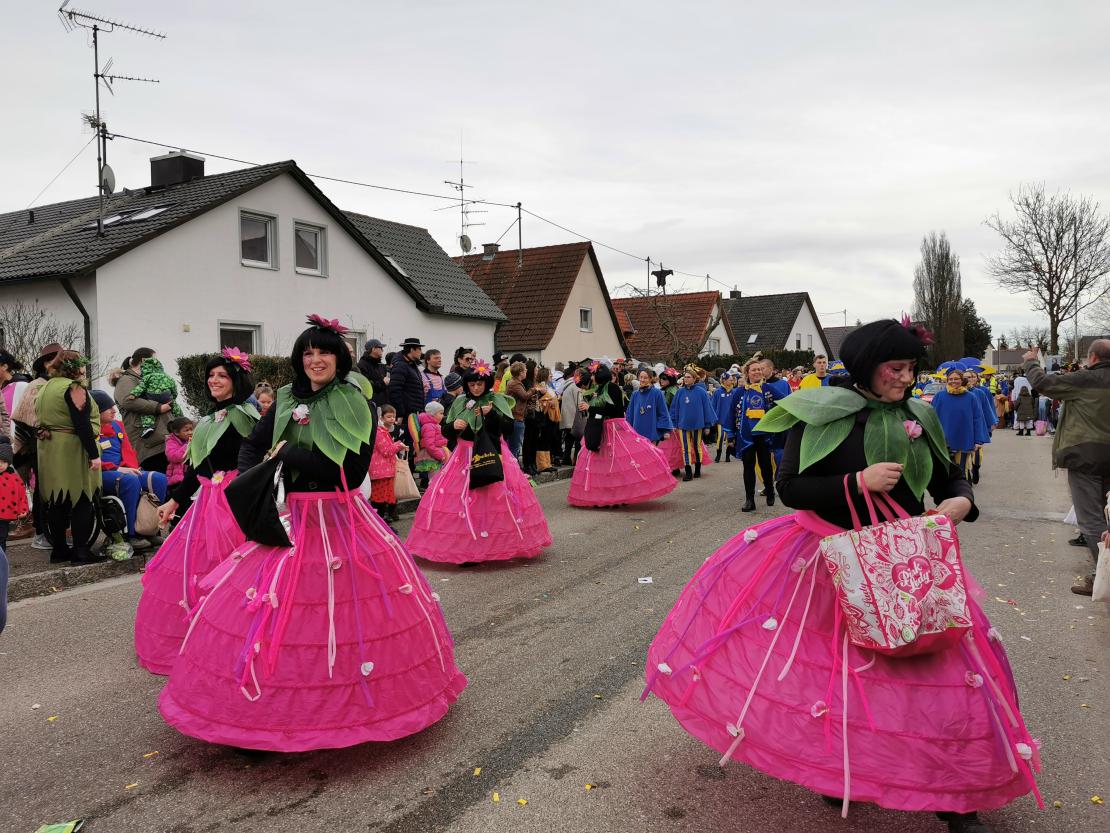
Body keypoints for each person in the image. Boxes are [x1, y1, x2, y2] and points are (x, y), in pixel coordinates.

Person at [645, 318, 1040, 833]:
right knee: (835, 677)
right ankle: (839, 767)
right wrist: (857, 481)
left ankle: (956, 800)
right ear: (866, 370)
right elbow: (791, 488)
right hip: (829, 560)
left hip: (902, 561)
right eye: (894, 369)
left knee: (937, 674)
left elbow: (948, 473)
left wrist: (961, 498)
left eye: (909, 369)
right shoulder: (819, 413)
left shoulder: (920, 413)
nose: (905, 379)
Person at [159, 315, 466, 750]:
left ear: (339, 358)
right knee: (278, 613)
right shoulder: (285, 398)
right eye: (308, 352)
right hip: (296, 517)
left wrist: (289, 456)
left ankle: (350, 707)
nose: (315, 359)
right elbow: (253, 444)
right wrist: (251, 480)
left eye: (323, 351)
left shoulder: (357, 400)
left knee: (343, 614)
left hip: (341, 517)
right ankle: (271, 712)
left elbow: (352, 470)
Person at [133, 348, 258, 675]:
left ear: (236, 381)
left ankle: (232, 638)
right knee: (198, 567)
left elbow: (255, 462)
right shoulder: (208, 418)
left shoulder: (246, 416)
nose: (214, 380)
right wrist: (175, 500)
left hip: (234, 501)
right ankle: (201, 637)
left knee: (233, 570)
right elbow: (200, 465)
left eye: (223, 376)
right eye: (211, 375)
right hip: (208, 499)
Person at [406, 358, 552, 563]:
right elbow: (446, 432)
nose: (476, 388)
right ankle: (468, 548)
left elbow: (508, 427)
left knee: (495, 501)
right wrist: (452, 427)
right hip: (463, 456)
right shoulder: (459, 402)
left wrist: (491, 413)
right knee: (465, 501)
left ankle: (497, 544)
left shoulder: (497, 400)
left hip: (493, 452)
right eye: (472, 384)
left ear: (487, 383)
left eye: (479, 384)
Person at [1023, 342, 1110, 595]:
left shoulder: (1085, 379)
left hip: (1086, 456)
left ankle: (1104, 575)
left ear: (1092, 357)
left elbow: (1043, 383)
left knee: (1091, 519)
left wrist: (1030, 360)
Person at [568, 363, 676, 507]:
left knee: (617, 464)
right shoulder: (598, 389)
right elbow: (601, 409)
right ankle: (604, 495)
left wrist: (591, 407)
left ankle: (620, 494)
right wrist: (588, 406)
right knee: (603, 466)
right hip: (601, 429)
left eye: (594, 375)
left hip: (613, 429)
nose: (593, 378)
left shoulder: (612, 387)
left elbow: (614, 409)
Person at [35, 351, 104, 565]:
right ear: (75, 367)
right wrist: (94, 454)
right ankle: (81, 551)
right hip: (72, 448)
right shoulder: (73, 387)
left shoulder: (45, 386)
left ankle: (59, 549)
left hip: (49, 448)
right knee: (82, 497)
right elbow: (81, 422)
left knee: (57, 500)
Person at [92, 390, 168, 549]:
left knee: (158, 478)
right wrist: (119, 469)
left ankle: (150, 530)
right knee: (131, 481)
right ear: (96, 411)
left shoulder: (118, 426)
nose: (114, 411)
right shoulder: (90, 429)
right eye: (108, 408)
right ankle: (131, 534)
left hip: (124, 470)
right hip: (100, 474)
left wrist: (132, 467)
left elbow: (128, 451)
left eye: (114, 407)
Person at [12, 342, 62, 550]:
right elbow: (26, 417)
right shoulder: (37, 385)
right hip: (39, 447)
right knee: (44, 491)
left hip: (57, 446)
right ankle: (42, 533)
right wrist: (40, 431)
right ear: (45, 365)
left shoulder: (58, 384)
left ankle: (53, 532)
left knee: (54, 491)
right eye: (53, 360)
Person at [114, 347, 174, 473]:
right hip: (148, 445)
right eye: (154, 360)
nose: (157, 363)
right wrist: (159, 407)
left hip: (159, 441)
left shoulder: (146, 378)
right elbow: (127, 400)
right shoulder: (126, 380)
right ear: (143, 360)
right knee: (157, 481)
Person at [734, 359, 778, 511]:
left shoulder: (768, 388)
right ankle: (749, 500)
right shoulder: (740, 391)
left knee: (766, 465)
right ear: (747, 373)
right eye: (754, 370)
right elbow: (732, 412)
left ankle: (770, 490)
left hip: (764, 435)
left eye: (759, 369)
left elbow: (784, 401)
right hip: (745, 436)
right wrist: (731, 435)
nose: (757, 372)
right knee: (748, 466)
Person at [931, 366, 990, 479]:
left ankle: (962, 490)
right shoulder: (939, 396)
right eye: (951, 379)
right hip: (944, 441)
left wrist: (978, 440)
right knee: (945, 472)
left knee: (961, 471)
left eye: (956, 378)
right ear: (947, 380)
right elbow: (931, 418)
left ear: (962, 380)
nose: (953, 381)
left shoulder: (971, 397)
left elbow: (977, 419)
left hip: (964, 439)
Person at [668, 368, 716, 481]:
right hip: (682, 425)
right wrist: (674, 423)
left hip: (697, 425)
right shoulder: (679, 392)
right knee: (685, 448)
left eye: (689, 377)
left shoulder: (701, 392)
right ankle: (688, 471)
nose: (686, 379)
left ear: (694, 379)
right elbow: (674, 408)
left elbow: (707, 409)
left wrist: (707, 425)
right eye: (685, 377)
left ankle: (698, 469)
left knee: (696, 447)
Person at [126, 356, 183, 437]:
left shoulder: (147, 377)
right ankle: (181, 420)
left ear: (145, 368)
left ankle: (148, 427)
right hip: (166, 396)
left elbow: (141, 387)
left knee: (148, 412)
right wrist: (173, 397)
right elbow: (174, 388)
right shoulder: (167, 377)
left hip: (152, 397)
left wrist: (133, 394)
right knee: (175, 407)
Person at [369, 404, 406, 524]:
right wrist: (400, 445)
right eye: (389, 416)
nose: (392, 419)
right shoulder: (379, 432)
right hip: (381, 470)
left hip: (384, 470)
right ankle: (378, 521)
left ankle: (382, 519)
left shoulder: (382, 431)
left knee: (384, 496)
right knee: (379, 497)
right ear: (381, 417)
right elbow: (386, 451)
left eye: (393, 416)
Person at [626, 368, 673, 444]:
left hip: (652, 431)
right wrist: (628, 428)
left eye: (645, 378)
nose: (642, 380)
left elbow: (663, 412)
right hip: (637, 431)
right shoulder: (635, 394)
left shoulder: (657, 393)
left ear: (650, 379)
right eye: (641, 377)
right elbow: (630, 413)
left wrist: (665, 430)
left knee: (652, 454)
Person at [0, 437, 29, 551]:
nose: (0, 465)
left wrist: (23, 509)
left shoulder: (14, 478)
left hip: (4, 516)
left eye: (4, 462)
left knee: (2, 538)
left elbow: (21, 495)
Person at [414, 400, 450, 478]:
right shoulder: (429, 426)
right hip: (432, 456)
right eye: (441, 413)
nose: (443, 416)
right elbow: (429, 445)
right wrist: (440, 455)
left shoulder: (434, 425)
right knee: (434, 478)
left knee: (438, 477)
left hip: (436, 454)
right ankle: (432, 490)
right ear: (433, 414)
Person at [504, 361, 529, 462]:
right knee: (514, 447)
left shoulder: (514, 382)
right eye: (525, 370)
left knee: (513, 446)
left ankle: (513, 469)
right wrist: (534, 390)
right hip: (516, 418)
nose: (526, 372)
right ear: (521, 372)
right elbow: (524, 396)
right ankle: (513, 470)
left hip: (514, 417)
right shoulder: (515, 383)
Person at [710, 370, 738, 462]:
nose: (732, 381)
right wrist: (713, 419)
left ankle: (727, 455)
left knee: (729, 438)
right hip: (720, 420)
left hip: (731, 420)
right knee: (721, 437)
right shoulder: (718, 392)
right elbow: (713, 405)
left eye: (732, 380)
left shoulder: (734, 392)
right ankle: (718, 454)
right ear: (724, 381)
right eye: (730, 380)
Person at [560, 366, 585, 464]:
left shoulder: (567, 384)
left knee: (568, 439)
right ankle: (577, 460)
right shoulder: (575, 386)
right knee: (578, 439)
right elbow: (580, 403)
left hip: (567, 416)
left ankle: (566, 457)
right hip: (574, 417)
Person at [356, 338, 389, 409]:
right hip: (372, 406)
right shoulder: (362, 365)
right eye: (380, 348)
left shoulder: (380, 364)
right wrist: (383, 383)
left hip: (384, 405)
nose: (382, 350)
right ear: (373, 349)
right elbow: (367, 386)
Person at [165, 416, 195, 489]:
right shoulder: (171, 442)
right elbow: (174, 457)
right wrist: (187, 445)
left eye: (191, 429)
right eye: (186, 430)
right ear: (176, 432)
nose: (190, 432)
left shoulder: (190, 440)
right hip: (176, 480)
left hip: (189, 475)